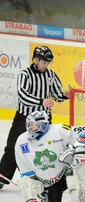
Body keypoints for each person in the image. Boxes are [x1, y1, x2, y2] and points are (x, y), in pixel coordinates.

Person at [14, 110, 85, 202]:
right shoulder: (22, 141)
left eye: (33, 124)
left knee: (84, 160)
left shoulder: (59, 130)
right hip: (46, 181)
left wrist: (80, 148)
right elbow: (25, 170)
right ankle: (47, 200)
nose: (30, 128)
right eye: (28, 125)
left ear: (43, 124)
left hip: (67, 172)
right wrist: (32, 192)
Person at [0, 46, 69, 190]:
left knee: (46, 148)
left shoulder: (51, 75)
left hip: (44, 121)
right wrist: (41, 101)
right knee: (13, 146)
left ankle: (49, 179)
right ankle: (2, 176)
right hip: (24, 118)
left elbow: (56, 94)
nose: (46, 65)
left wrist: (65, 95)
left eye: (48, 63)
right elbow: (23, 95)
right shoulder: (25, 74)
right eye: (44, 62)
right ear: (35, 60)